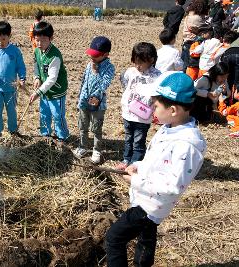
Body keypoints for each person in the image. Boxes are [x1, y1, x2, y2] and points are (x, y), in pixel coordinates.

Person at [106, 71, 207, 267]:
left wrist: (135, 181)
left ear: (173, 109)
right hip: (147, 199)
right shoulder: (169, 127)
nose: (152, 107)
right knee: (146, 238)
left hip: (151, 204)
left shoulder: (187, 145)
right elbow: (156, 161)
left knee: (114, 238)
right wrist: (135, 166)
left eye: (156, 105)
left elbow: (172, 187)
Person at [116, 42, 161, 171]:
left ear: (151, 60)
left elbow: (158, 95)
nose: (137, 65)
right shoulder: (130, 72)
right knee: (128, 139)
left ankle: (135, 164)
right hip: (128, 113)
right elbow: (124, 82)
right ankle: (126, 160)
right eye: (135, 62)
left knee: (138, 142)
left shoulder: (157, 76)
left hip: (142, 116)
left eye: (140, 62)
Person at [73, 36, 115, 164]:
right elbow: (84, 81)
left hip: (98, 104)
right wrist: (81, 96)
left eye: (96, 56)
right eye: (91, 55)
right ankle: (83, 146)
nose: (92, 58)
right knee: (82, 125)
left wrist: (96, 96)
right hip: (84, 101)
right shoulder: (89, 64)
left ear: (106, 54)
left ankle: (96, 150)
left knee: (96, 127)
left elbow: (104, 84)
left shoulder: (109, 67)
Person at [29, 21, 69, 146]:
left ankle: (62, 136)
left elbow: (52, 79)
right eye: (36, 40)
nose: (39, 44)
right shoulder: (37, 51)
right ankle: (45, 134)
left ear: (51, 38)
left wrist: (38, 92)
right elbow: (36, 65)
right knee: (44, 112)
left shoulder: (55, 56)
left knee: (57, 115)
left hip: (56, 90)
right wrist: (36, 77)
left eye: (43, 40)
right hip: (44, 90)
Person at [0, 21, 26, 137]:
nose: (0, 42)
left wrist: (22, 79)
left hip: (11, 88)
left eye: (3, 39)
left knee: (12, 111)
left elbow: (21, 67)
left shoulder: (15, 51)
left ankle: (13, 130)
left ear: (9, 36)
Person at [181, 0, 208, 71]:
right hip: (192, 43)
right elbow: (204, 29)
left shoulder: (188, 16)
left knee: (184, 65)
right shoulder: (197, 18)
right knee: (191, 66)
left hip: (186, 41)